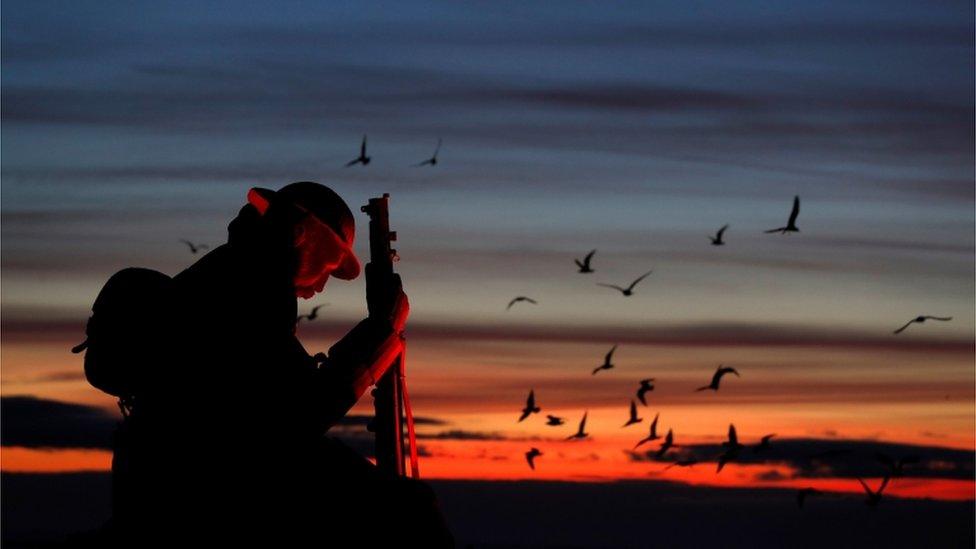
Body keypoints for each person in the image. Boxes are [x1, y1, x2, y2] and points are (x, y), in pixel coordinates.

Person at [109, 182, 453, 546]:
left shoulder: (235, 271)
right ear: (300, 235)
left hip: (176, 470)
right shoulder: (252, 285)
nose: (322, 285)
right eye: (327, 264)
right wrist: (382, 332)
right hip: (201, 479)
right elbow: (298, 415)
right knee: (409, 510)